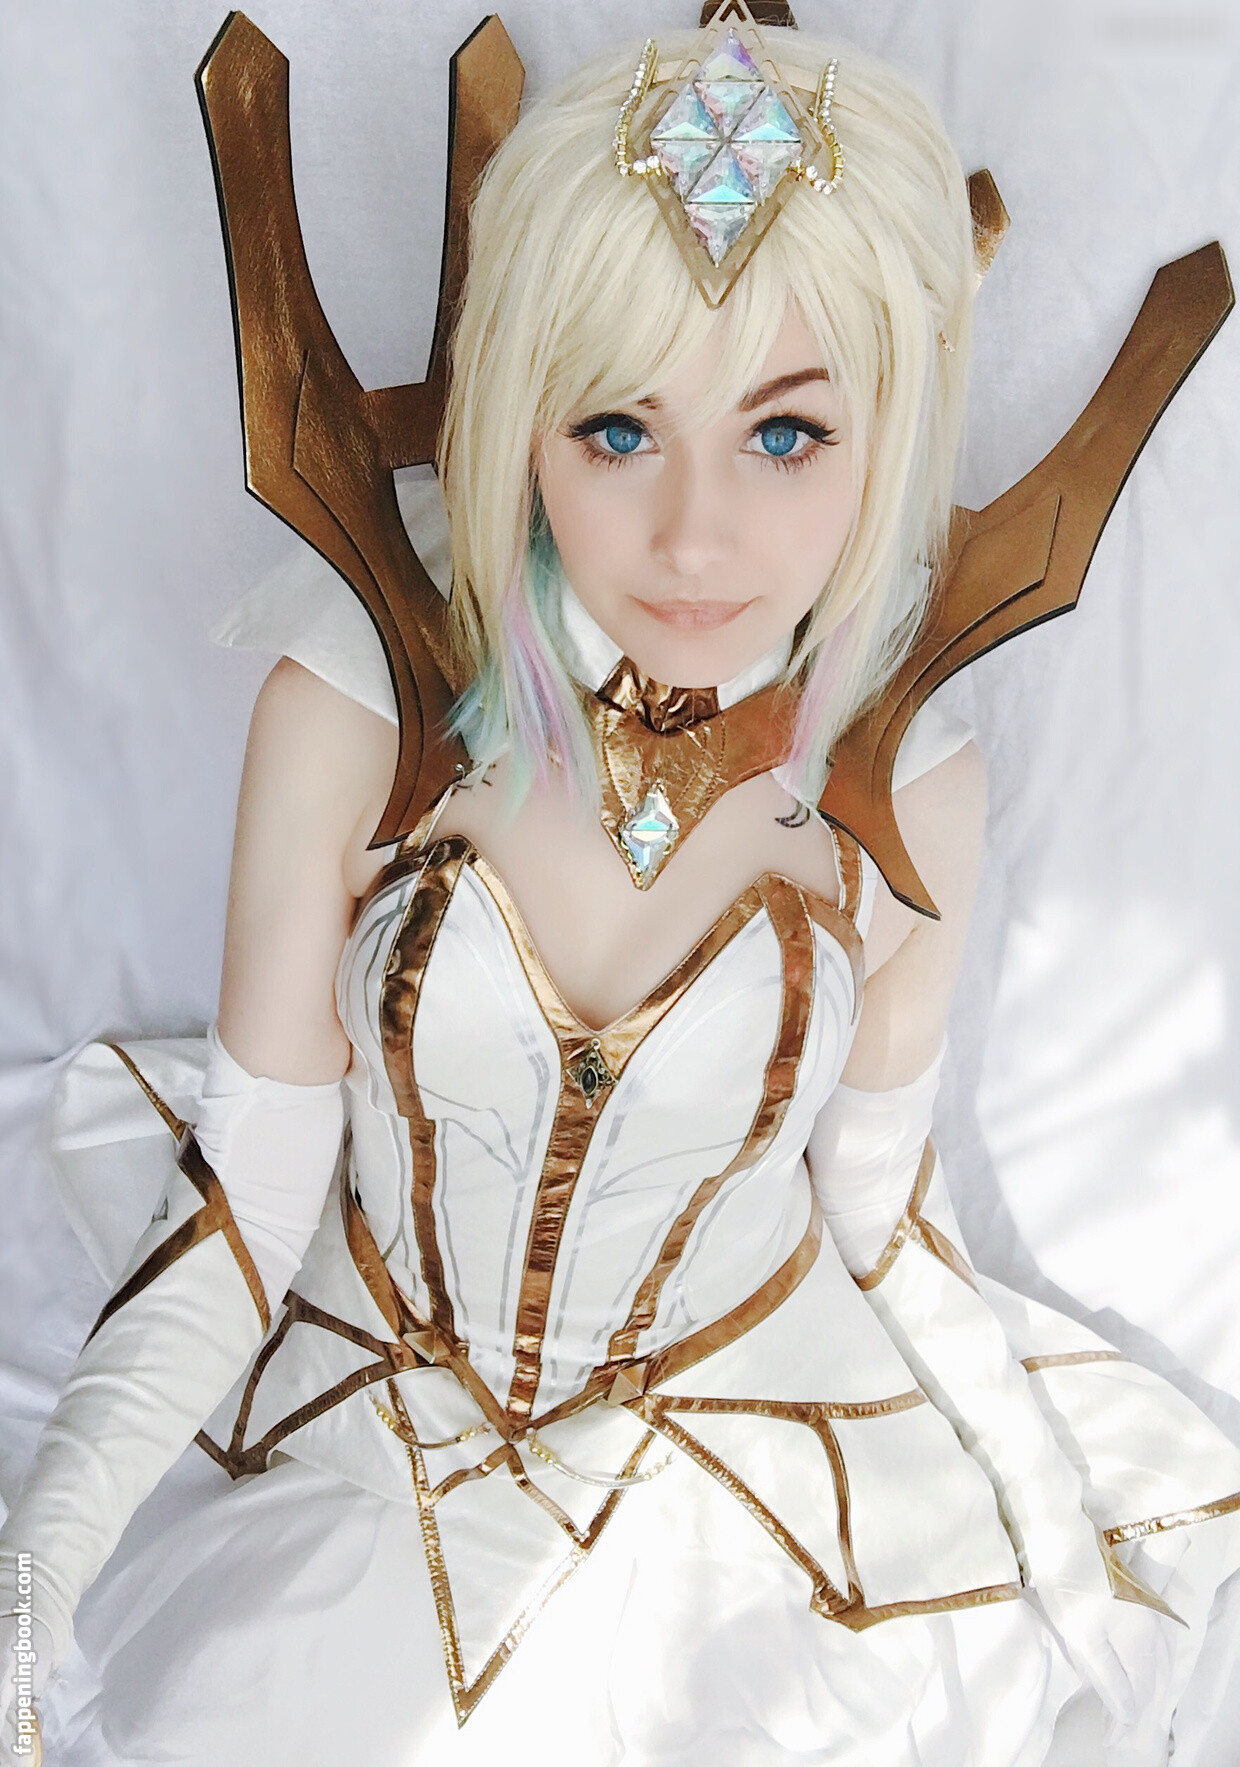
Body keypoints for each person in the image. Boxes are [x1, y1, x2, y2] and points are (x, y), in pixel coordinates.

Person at [1, 11, 1239, 1764]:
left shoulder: (914, 790)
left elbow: (881, 1209)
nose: (695, 540)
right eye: (615, 429)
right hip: (362, 1439)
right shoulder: (351, 701)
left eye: (787, 436)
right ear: (521, 420)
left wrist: (1057, 1540)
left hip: (752, 1471)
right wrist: (36, 1563)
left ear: (893, 429)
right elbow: (253, 1190)